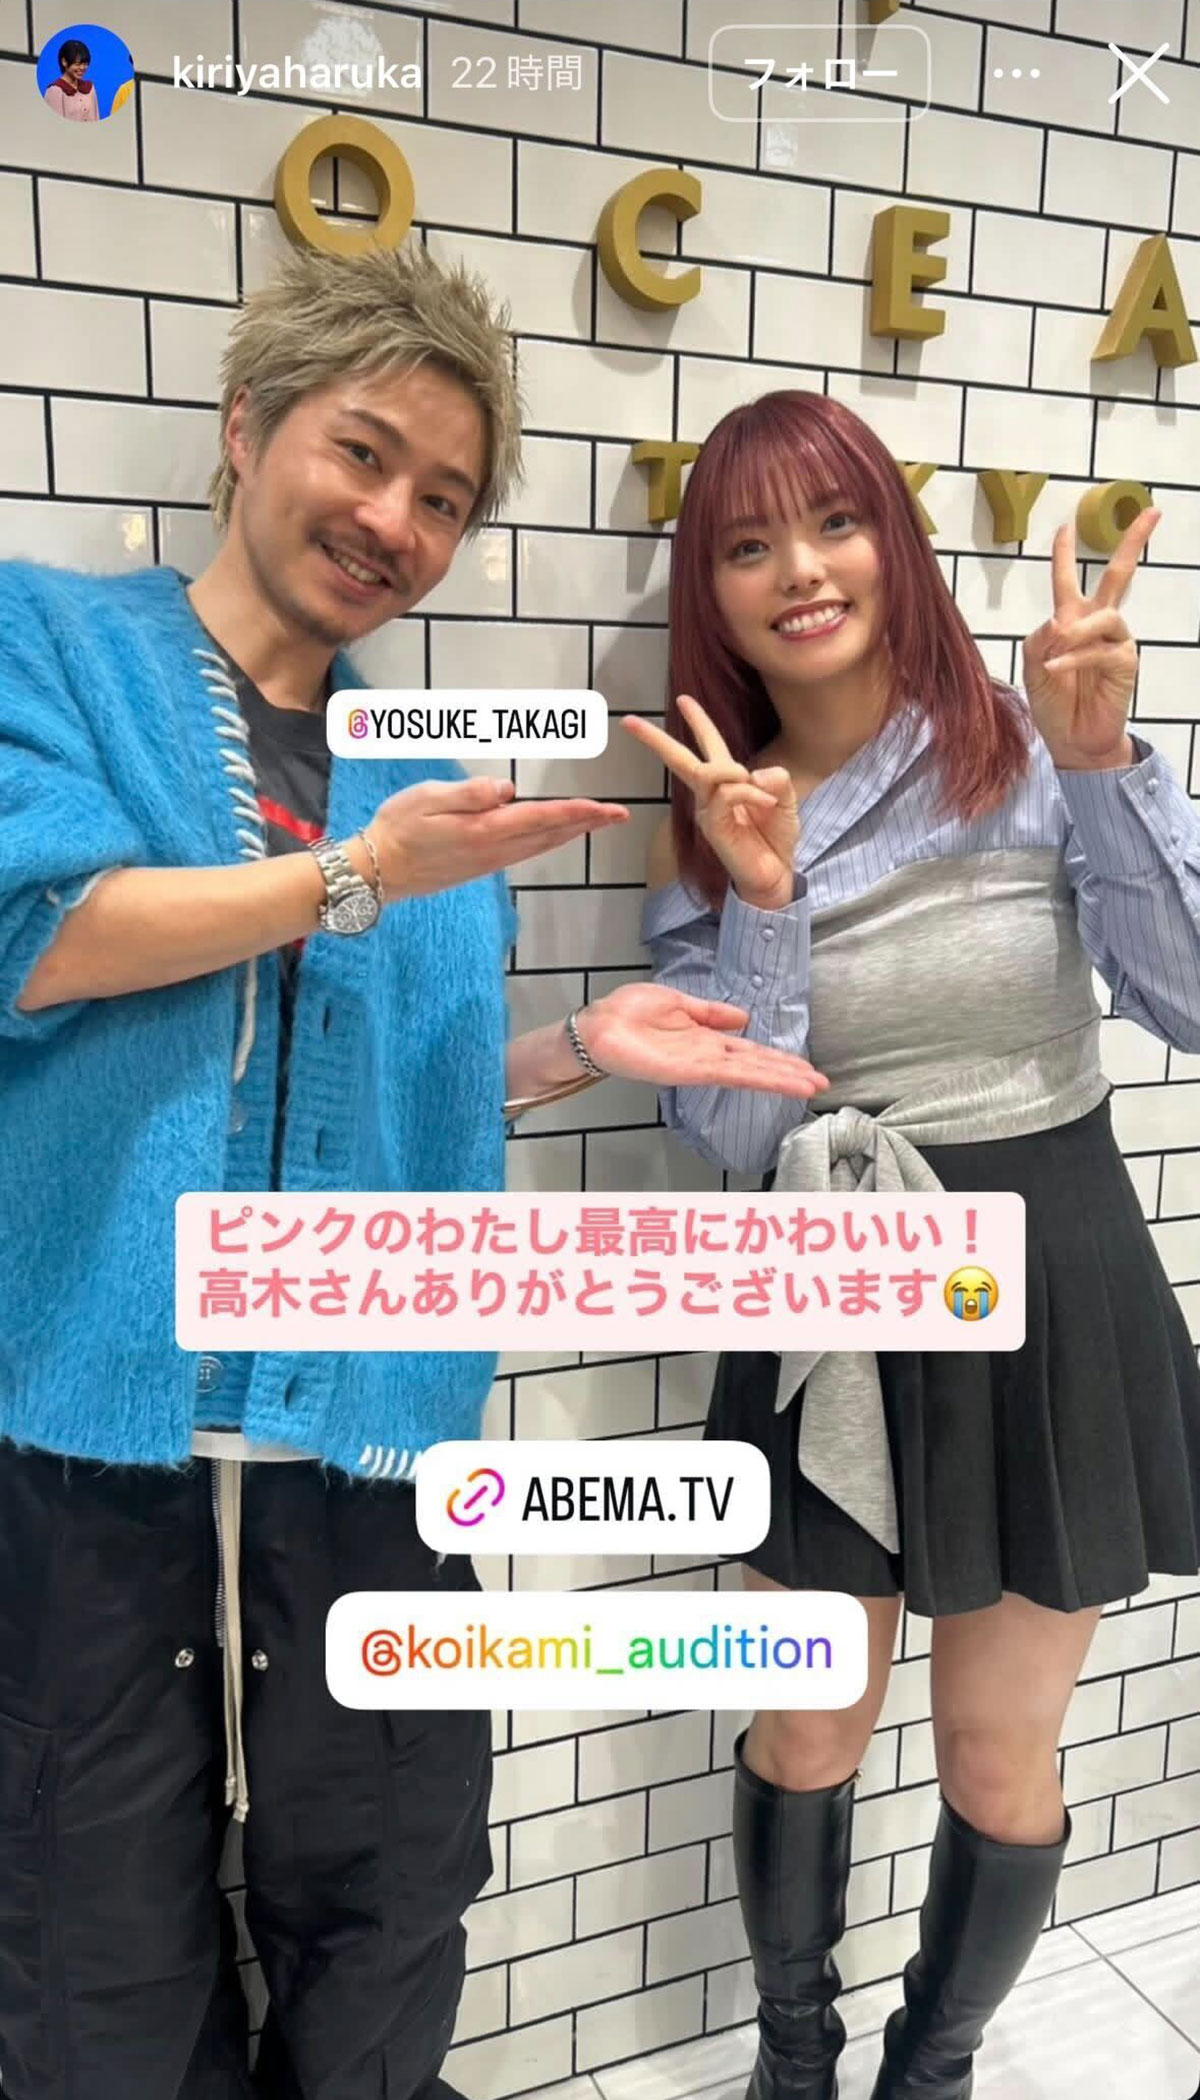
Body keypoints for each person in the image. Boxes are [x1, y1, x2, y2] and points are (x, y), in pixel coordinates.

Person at [0, 251, 828, 2100]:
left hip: (371, 1454)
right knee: (90, 1957)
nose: (395, 523)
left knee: (387, 1925)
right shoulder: (47, 647)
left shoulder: (424, 773)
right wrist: (355, 877)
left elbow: (400, 1108)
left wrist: (577, 1046)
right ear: (246, 429)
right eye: (364, 456)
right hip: (97, 1455)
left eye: (443, 498)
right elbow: (36, 935)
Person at [628, 388, 1200, 2100]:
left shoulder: (1031, 747)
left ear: (896, 540)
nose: (801, 571)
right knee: (808, 1715)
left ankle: (929, 2072)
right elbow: (736, 1138)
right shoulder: (713, 813)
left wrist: (1105, 767)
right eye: (749, 545)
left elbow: (1186, 1002)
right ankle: (789, 2064)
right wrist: (766, 905)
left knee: (996, 1750)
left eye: (835, 522)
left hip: (1053, 1269)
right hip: (828, 1286)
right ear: (713, 594)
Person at [42, 38, 99, 120]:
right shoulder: (55, 91)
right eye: (77, 64)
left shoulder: (90, 88)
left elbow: (96, 118)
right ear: (64, 62)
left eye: (85, 64)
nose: (82, 68)